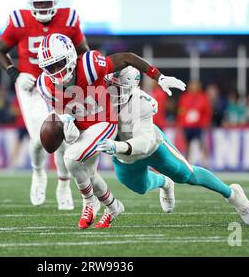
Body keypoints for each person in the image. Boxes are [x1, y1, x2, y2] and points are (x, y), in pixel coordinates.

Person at [36, 33, 185, 228]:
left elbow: (128, 57)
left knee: (71, 160)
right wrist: (66, 121)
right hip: (81, 126)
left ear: (71, 56)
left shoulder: (89, 64)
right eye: (50, 67)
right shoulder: (45, 85)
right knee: (88, 174)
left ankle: (89, 202)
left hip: (103, 121)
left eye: (59, 63)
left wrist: (159, 76)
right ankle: (114, 206)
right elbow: (59, 110)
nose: (55, 71)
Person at [97, 67, 249, 225]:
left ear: (131, 88)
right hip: (124, 158)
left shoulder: (142, 103)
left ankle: (233, 194)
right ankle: (164, 182)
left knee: (187, 176)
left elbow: (144, 143)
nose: (111, 91)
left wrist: (116, 146)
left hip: (153, 148)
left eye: (117, 87)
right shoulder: (97, 100)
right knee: (140, 188)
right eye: (109, 85)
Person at [0, 0, 89, 210]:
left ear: (55, 2)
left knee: (65, 138)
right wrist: (14, 73)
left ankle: (64, 187)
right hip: (32, 84)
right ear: (31, 3)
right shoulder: (20, 20)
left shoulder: (68, 19)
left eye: (47, 3)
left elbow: (83, 52)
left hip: (61, 84)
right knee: (41, 139)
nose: (43, 7)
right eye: (39, 3)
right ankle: (38, 174)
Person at [177, 80, 212, 165]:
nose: (193, 87)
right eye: (191, 85)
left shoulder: (203, 97)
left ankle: (206, 163)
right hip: (187, 126)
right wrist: (180, 124)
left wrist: (205, 123)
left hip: (199, 126)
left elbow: (207, 111)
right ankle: (187, 163)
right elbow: (181, 111)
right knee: (187, 146)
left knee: (202, 144)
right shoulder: (184, 97)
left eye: (195, 85)